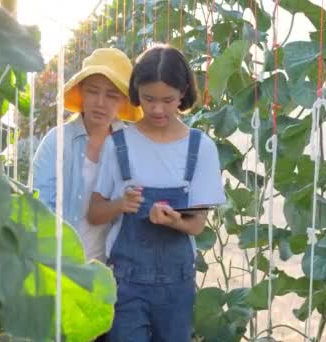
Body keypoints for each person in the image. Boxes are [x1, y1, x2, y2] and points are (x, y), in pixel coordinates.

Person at [88, 45, 225, 341]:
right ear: (136, 92)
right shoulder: (118, 143)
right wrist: (121, 204)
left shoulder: (200, 148)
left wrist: (172, 220)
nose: (158, 109)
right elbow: (95, 213)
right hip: (126, 284)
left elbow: (197, 224)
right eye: (149, 99)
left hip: (177, 287)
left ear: (183, 92)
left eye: (168, 100)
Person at [33, 48, 142, 263]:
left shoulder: (132, 146)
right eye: (93, 91)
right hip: (61, 265)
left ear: (123, 101)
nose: (100, 102)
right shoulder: (57, 141)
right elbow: (40, 206)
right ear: (81, 92)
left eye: (111, 95)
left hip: (114, 270)